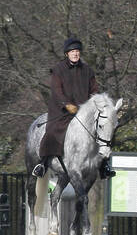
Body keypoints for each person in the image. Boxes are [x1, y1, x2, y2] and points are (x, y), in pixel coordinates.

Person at [35, 37, 110, 178]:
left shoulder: (88, 70)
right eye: (72, 51)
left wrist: (94, 105)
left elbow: (94, 90)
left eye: (77, 51)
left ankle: (104, 165)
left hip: (84, 112)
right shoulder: (58, 70)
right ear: (67, 54)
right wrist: (67, 104)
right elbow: (57, 90)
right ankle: (43, 162)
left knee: (104, 130)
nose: (75, 54)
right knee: (52, 131)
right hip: (62, 111)